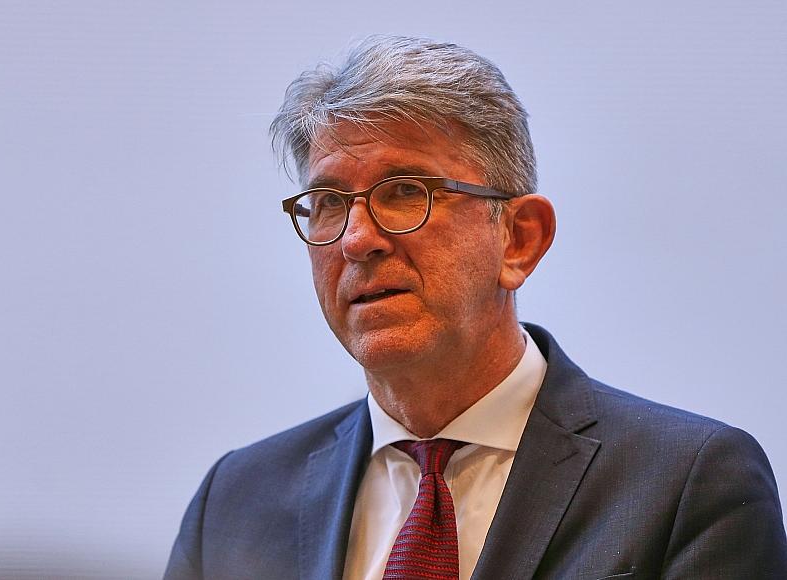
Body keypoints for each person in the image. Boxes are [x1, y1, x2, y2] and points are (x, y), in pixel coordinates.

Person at [164, 36, 787, 579]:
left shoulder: (687, 482)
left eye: (405, 191)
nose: (356, 239)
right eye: (328, 202)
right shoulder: (235, 502)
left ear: (519, 240)